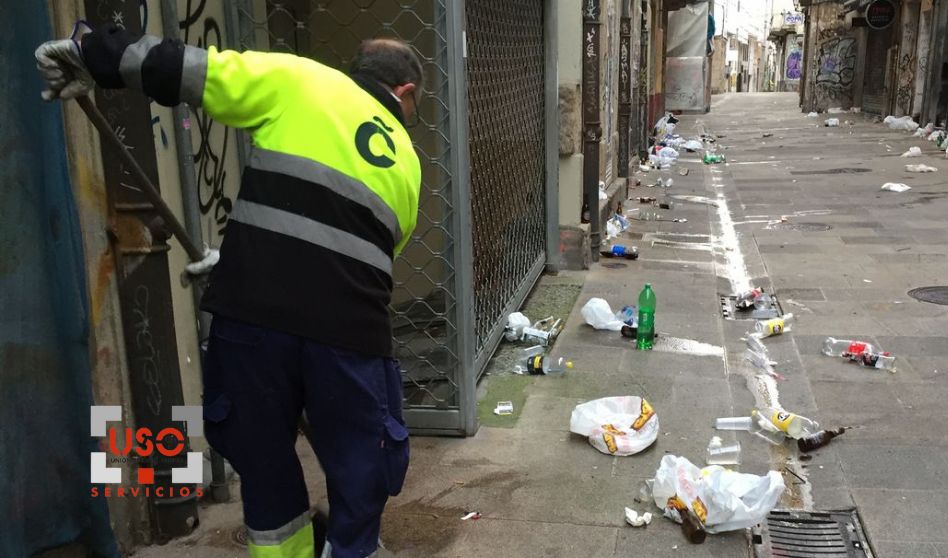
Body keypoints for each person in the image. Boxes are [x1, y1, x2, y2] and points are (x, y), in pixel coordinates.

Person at [36, 22, 422, 558]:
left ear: (353, 71)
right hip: (350, 333)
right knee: (362, 472)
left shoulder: (299, 78)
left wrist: (91, 51)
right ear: (404, 94)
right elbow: (366, 260)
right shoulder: (407, 160)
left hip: (253, 319)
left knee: (263, 462)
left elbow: (186, 68)